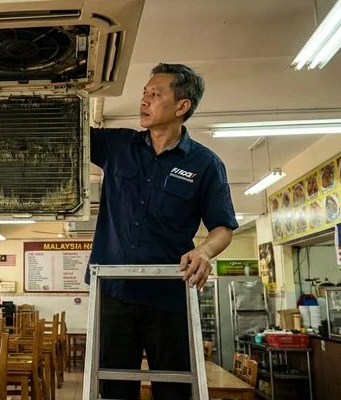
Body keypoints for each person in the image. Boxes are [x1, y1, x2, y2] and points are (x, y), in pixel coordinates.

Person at [85, 63, 238, 400]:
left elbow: (223, 227)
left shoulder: (205, 164)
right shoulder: (117, 145)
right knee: (112, 389)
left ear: (182, 106)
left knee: (173, 389)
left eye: (154, 95)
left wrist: (205, 251)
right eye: (144, 93)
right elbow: (68, 128)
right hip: (113, 293)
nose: (144, 100)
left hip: (170, 296)